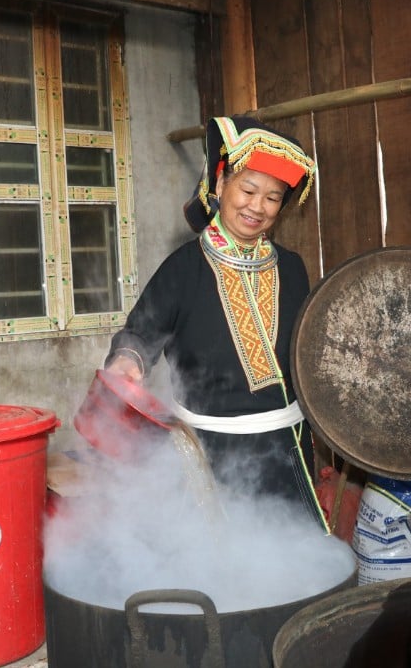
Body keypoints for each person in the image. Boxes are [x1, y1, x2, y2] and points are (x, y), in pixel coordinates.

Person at [103, 115, 327, 531]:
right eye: (248, 190)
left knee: (295, 555)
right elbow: (140, 332)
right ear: (220, 184)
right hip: (208, 452)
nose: (257, 207)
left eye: (273, 197)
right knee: (219, 560)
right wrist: (128, 360)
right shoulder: (183, 267)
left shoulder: (292, 268)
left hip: (287, 447)